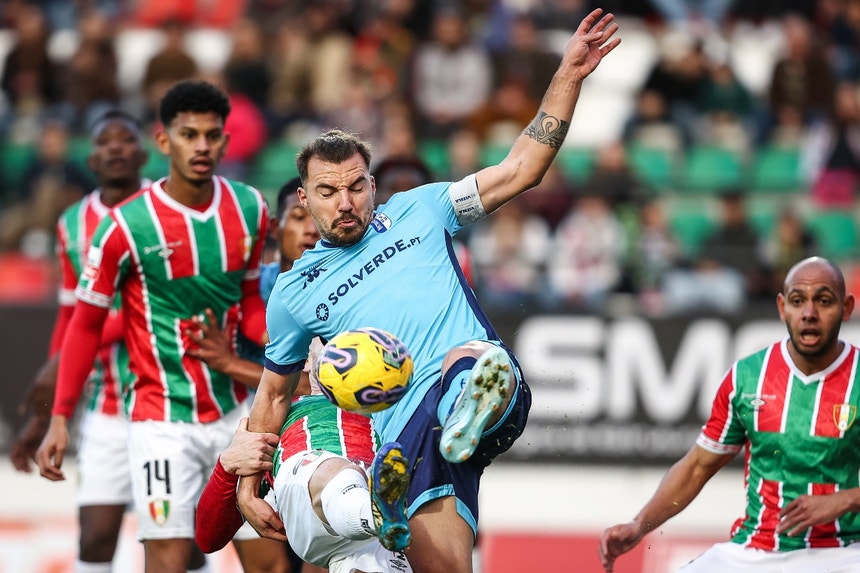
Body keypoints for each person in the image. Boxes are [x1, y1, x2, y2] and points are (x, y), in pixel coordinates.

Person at [239, 10, 620, 573]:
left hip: (486, 389)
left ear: (373, 184)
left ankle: (466, 405)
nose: (345, 203)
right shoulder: (295, 292)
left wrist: (569, 74)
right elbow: (273, 396)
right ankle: (423, 460)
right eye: (327, 192)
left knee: (468, 360)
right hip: (410, 450)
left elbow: (523, 168)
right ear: (304, 197)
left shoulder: (422, 209)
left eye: (356, 187)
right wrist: (247, 485)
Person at [34, 80, 285, 573]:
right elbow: (84, 325)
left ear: (225, 142)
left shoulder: (250, 207)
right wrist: (60, 417)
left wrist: (275, 342)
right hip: (160, 419)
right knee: (169, 559)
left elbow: (251, 299)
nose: (202, 146)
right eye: (189, 135)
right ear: (164, 141)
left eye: (211, 136)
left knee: (269, 563)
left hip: (237, 413)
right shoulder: (125, 226)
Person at [599, 256, 860, 573]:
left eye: (824, 301)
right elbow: (697, 467)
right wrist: (639, 525)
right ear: (782, 308)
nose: (809, 313)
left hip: (844, 552)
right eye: (797, 301)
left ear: (846, 308)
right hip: (755, 551)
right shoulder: (746, 378)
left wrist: (848, 499)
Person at [9, 109, 154, 573]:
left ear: (144, 154)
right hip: (106, 403)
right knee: (94, 538)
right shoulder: (71, 222)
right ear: (90, 159)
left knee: (178, 543)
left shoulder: (163, 210)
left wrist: (60, 363)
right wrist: (48, 413)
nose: (115, 148)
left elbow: (148, 307)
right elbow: (71, 316)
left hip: (166, 398)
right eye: (104, 141)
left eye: (125, 139)